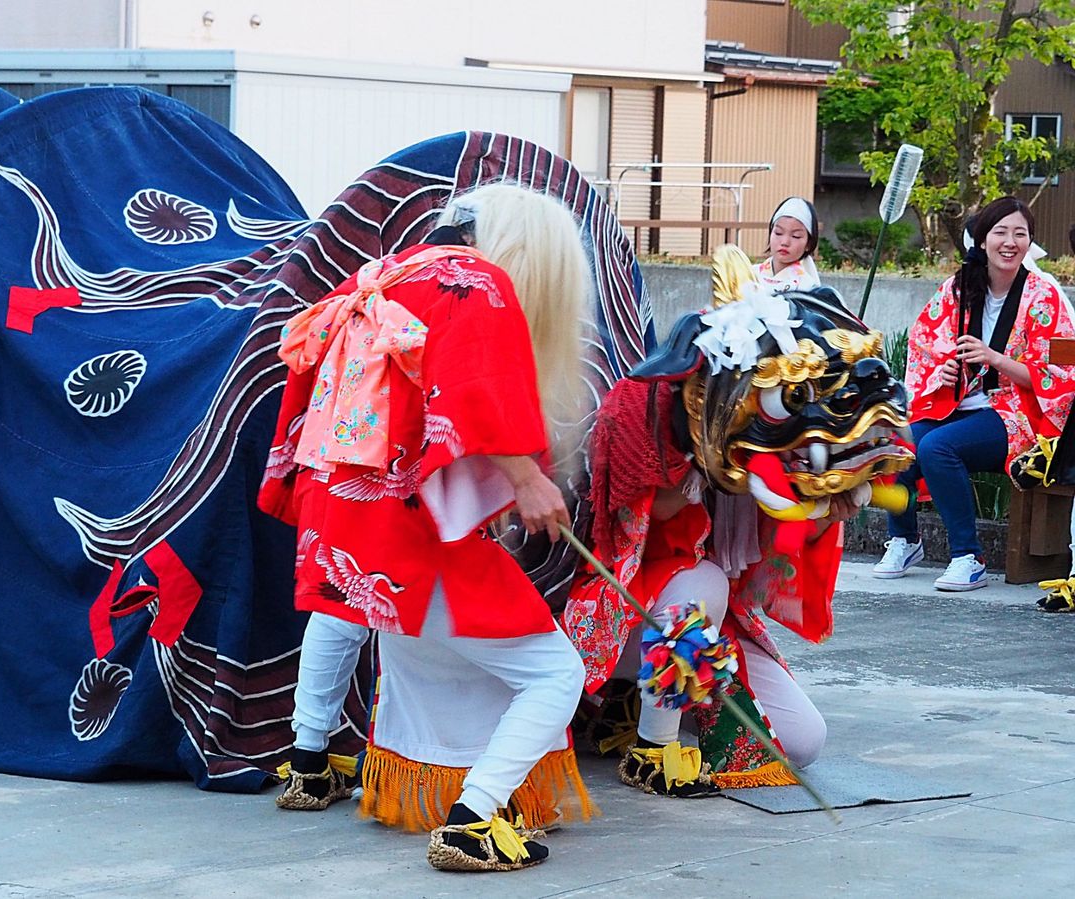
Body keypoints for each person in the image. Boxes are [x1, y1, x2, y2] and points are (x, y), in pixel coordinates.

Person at [258, 183, 595, 872]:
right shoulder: (470, 277)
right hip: (411, 524)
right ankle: (473, 818)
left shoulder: (383, 275)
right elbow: (471, 383)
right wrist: (527, 477)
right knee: (556, 672)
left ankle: (310, 759)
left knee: (382, 633)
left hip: (353, 510)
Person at [561, 375, 858, 797]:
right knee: (704, 581)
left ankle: (636, 705)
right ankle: (653, 749)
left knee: (803, 740)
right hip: (618, 606)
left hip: (703, 624)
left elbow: (772, 551)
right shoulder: (645, 399)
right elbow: (644, 512)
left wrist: (825, 508)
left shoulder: (775, 430)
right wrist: (715, 456)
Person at [874, 197, 1075, 590]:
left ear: (1030, 242)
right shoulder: (957, 288)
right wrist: (943, 369)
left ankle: (968, 555)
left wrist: (996, 359)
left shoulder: (1044, 295)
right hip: (958, 405)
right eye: (1000, 232)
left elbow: (1064, 372)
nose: (1010, 241)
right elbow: (923, 345)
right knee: (895, 441)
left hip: (1017, 416)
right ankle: (904, 539)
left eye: (1020, 233)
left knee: (937, 448)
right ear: (982, 240)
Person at [752, 196, 821, 291]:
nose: (784, 242)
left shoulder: (807, 287)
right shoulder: (750, 275)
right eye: (778, 233)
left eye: (796, 236)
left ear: (808, 244)